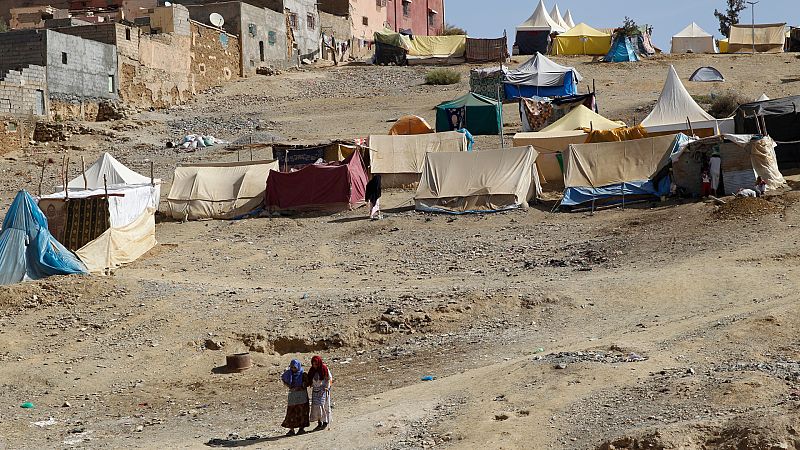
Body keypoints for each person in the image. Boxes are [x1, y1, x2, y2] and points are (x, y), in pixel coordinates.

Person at [281, 359, 309, 436]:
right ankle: (291, 430)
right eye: (292, 367)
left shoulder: (303, 374)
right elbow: (286, 381)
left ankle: (301, 429)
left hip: (302, 397)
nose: (293, 369)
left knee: (302, 412)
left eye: (295, 367)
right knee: (291, 413)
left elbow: (306, 384)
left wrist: (298, 388)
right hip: (293, 397)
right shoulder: (288, 374)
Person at [307, 355, 332, 430]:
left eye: (316, 364)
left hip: (323, 390)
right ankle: (319, 422)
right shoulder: (312, 370)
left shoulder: (324, 369)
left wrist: (327, 386)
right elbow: (309, 378)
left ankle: (325, 422)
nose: (314, 366)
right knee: (315, 406)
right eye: (313, 364)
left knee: (322, 405)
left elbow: (329, 378)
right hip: (315, 390)